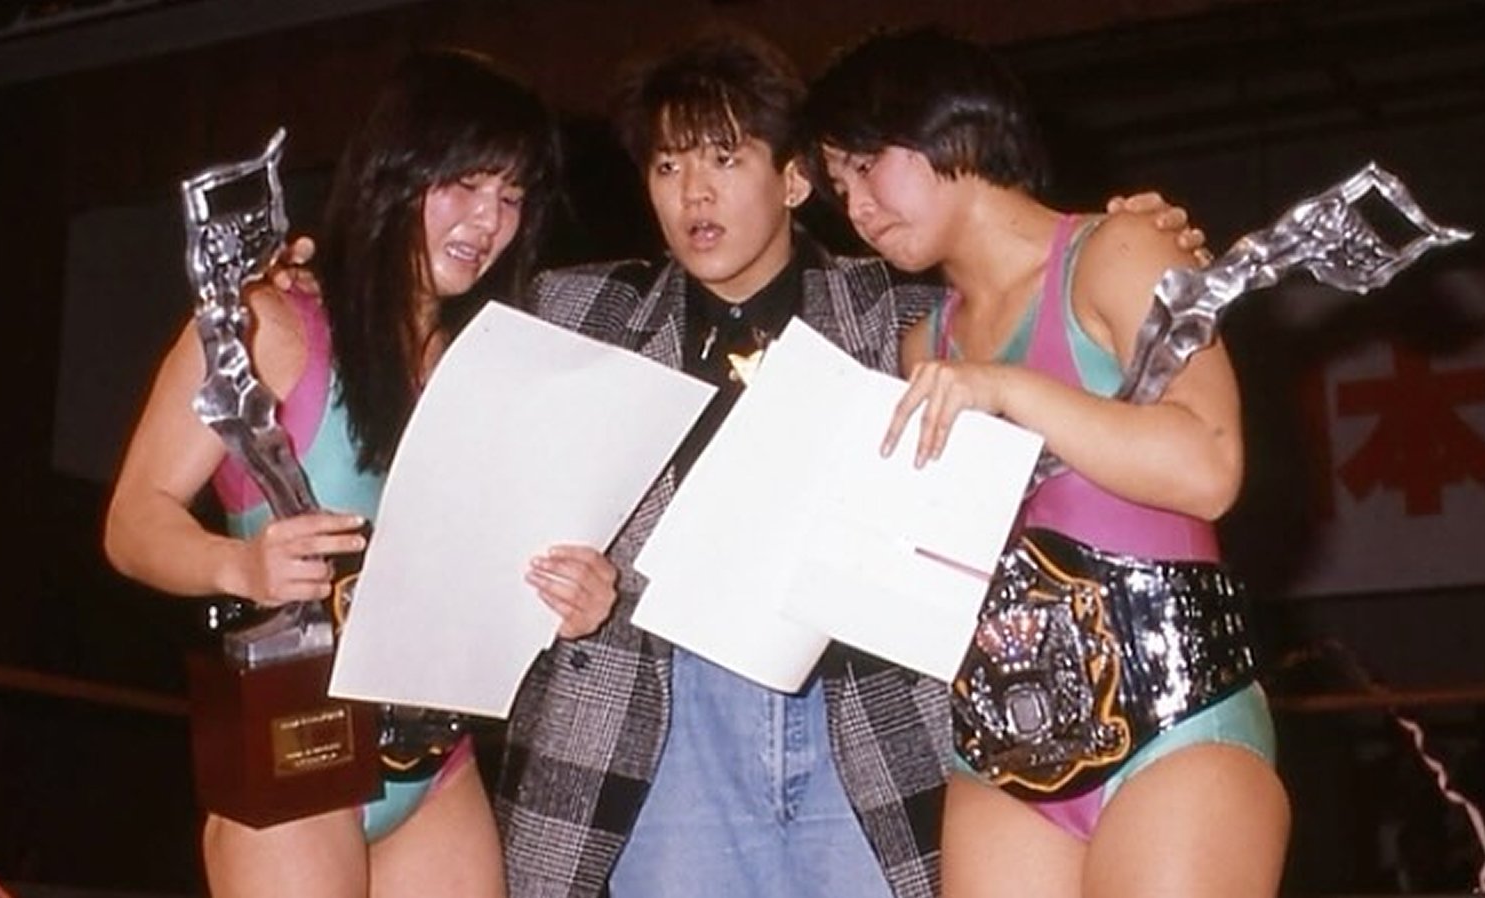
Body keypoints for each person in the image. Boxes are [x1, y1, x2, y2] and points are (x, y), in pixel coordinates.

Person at [495, 28, 1206, 898]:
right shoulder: (579, 310)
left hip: (861, 718)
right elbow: (459, 459)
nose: (695, 194)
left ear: (795, 179)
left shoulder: (902, 311)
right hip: (665, 716)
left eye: (725, 157)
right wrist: (577, 590)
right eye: (668, 167)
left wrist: (1133, 236)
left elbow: (1026, 282)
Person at [103, 49, 617, 898]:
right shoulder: (268, 323)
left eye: (512, 196)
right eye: (464, 182)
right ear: (397, 173)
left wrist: (574, 596)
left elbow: (493, 563)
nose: (487, 220)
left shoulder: (485, 363)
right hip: (289, 738)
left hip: (434, 758)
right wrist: (239, 564)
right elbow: (131, 521)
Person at [805, 27, 1289, 898]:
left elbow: (1210, 465)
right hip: (1001, 744)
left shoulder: (1122, 251)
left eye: (868, 166)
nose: (857, 206)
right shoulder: (925, 341)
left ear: (950, 129)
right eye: (838, 186)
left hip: (1176, 723)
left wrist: (1012, 393)